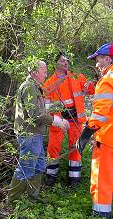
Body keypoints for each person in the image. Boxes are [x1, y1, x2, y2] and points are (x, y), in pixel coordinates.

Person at [7, 61, 69, 204]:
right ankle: (12, 201)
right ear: (34, 72)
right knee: (26, 167)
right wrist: (56, 122)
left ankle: (32, 198)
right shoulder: (29, 87)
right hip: (29, 135)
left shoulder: (35, 87)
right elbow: (35, 114)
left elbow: (40, 110)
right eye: (44, 70)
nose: (46, 74)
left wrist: (55, 114)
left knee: (39, 166)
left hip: (36, 134)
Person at [42, 53, 95, 187]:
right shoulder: (49, 83)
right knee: (53, 147)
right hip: (58, 119)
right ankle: (51, 176)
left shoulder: (77, 76)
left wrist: (95, 81)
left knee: (75, 147)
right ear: (55, 64)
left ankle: (74, 179)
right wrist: (56, 116)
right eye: (62, 60)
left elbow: (90, 90)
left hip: (75, 118)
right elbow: (46, 106)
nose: (66, 63)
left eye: (67, 60)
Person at [76, 43, 113, 219]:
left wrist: (86, 134)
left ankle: (101, 217)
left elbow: (100, 114)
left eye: (98, 60)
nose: (97, 64)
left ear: (107, 59)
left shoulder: (107, 80)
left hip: (107, 139)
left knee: (101, 178)